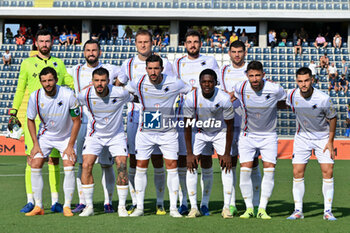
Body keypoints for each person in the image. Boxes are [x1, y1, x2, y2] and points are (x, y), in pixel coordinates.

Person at [9, 29, 74, 214]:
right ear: (36, 43)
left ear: (52, 42)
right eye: (41, 41)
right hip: (35, 120)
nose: (45, 44)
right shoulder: (27, 63)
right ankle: (32, 201)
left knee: (55, 160)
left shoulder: (59, 63)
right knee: (33, 159)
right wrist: (13, 111)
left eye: (47, 41)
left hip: (57, 121)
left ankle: (56, 201)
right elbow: (20, 88)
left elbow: (69, 82)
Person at [116, 29, 174, 215]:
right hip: (135, 116)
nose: (143, 45)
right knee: (135, 160)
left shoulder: (164, 64)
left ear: (152, 43)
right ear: (135, 44)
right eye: (140, 42)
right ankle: (136, 201)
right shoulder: (128, 64)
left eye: (146, 42)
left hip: (158, 116)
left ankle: (160, 203)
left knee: (158, 160)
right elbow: (119, 87)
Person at [127, 55, 192, 217]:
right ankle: (140, 208)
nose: (153, 72)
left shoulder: (174, 82)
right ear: (146, 69)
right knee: (141, 167)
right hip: (145, 134)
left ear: (162, 69)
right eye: (150, 68)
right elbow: (126, 92)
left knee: (172, 168)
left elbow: (190, 92)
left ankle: (173, 209)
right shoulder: (139, 82)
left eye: (156, 68)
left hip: (168, 133)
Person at [67, 39, 121, 214]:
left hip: (105, 124)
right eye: (88, 50)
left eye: (94, 50)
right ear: (84, 53)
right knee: (83, 163)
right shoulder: (75, 70)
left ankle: (108, 201)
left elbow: (125, 78)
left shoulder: (110, 70)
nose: (91, 53)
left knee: (107, 164)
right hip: (83, 123)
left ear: (100, 52)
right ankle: (83, 201)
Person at [173, 30, 220, 216]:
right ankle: (184, 202)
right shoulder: (176, 63)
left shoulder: (210, 61)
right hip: (183, 118)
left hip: (206, 118)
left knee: (206, 161)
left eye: (195, 41)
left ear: (201, 44)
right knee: (184, 161)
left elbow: (217, 86)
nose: (192, 44)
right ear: (185, 44)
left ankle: (205, 203)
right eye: (189, 41)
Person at [233, 61, 286, 220]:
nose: (254, 79)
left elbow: (284, 102)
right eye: (251, 76)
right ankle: (249, 208)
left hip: (269, 136)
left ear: (263, 74)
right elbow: (230, 98)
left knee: (269, 171)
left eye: (257, 75)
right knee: (245, 171)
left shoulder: (275, 89)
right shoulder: (240, 87)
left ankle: (262, 208)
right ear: (247, 76)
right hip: (247, 135)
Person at [25, 67, 81, 217]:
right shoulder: (35, 97)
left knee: (69, 164)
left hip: (66, 137)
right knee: (35, 163)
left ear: (56, 80)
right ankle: (38, 206)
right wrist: (35, 144)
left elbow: (77, 121)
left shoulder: (68, 95)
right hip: (46, 136)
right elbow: (30, 120)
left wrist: (70, 146)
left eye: (50, 80)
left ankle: (67, 206)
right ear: (41, 82)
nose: (47, 84)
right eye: (44, 81)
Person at [78, 67, 133, 217]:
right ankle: (89, 206)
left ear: (109, 81)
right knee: (86, 164)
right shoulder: (85, 95)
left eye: (103, 80)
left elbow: (137, 97)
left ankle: (121, 206)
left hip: (116, 135)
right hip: (94, 135)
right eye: (97, 81)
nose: (100, 84)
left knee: (122, 165)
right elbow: (73, 107)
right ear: (92, 82)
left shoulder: (120, 92)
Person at [286, 67, 337, 221]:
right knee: (297, 172)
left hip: (322, 138)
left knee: (328, 171)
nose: (304, 84)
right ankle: (298, 211)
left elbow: (333, 117)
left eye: (307, 80)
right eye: (300, 81)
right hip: (302, 137)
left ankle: (327, 211)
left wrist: (330, 141)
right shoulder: (292, 95)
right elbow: (283, 103)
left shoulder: (323, 98)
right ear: (297, 81)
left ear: (312, 80)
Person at [183, 69, 234, 218]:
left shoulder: (224, 98)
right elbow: (187, 125)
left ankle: (226, 208)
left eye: (210, 81)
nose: (207, 84)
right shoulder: (191, 97)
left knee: (226, 166)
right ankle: (194, 207)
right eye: (204, 82)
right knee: (191, 166)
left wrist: (226, 153)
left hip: (220, 132)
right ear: (199, 83)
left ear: (215, 82)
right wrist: (189, 153)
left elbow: (230, 127)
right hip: (200, 132)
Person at [220, 41, 262, 217]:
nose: (237, 55)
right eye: (234, 51)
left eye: (240, 52)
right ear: (229, 53)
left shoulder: (251, 72)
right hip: (228, 124)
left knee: (252, 164)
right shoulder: (222, 71)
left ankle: (256, 203)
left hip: (249, 125)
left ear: (245, 52)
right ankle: (230, 204)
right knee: (229, 163)